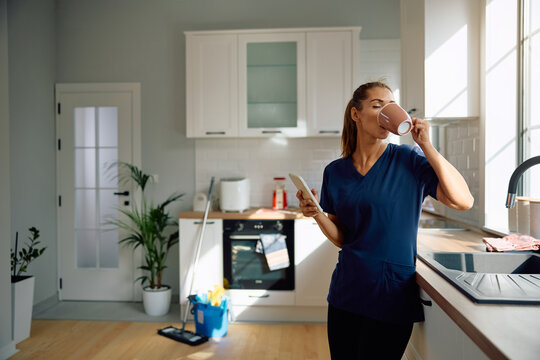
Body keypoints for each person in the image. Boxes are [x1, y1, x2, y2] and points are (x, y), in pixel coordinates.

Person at [296, 81, 474, 359]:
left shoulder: (409, 159)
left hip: (392, 295)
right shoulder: (335, 171)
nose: (385, 112)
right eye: (377, 106)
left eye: (390, 106)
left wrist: (426, 145)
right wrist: (317, 214)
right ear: (356, 114)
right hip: (347, 291)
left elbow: (463, 201)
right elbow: (342, 237)